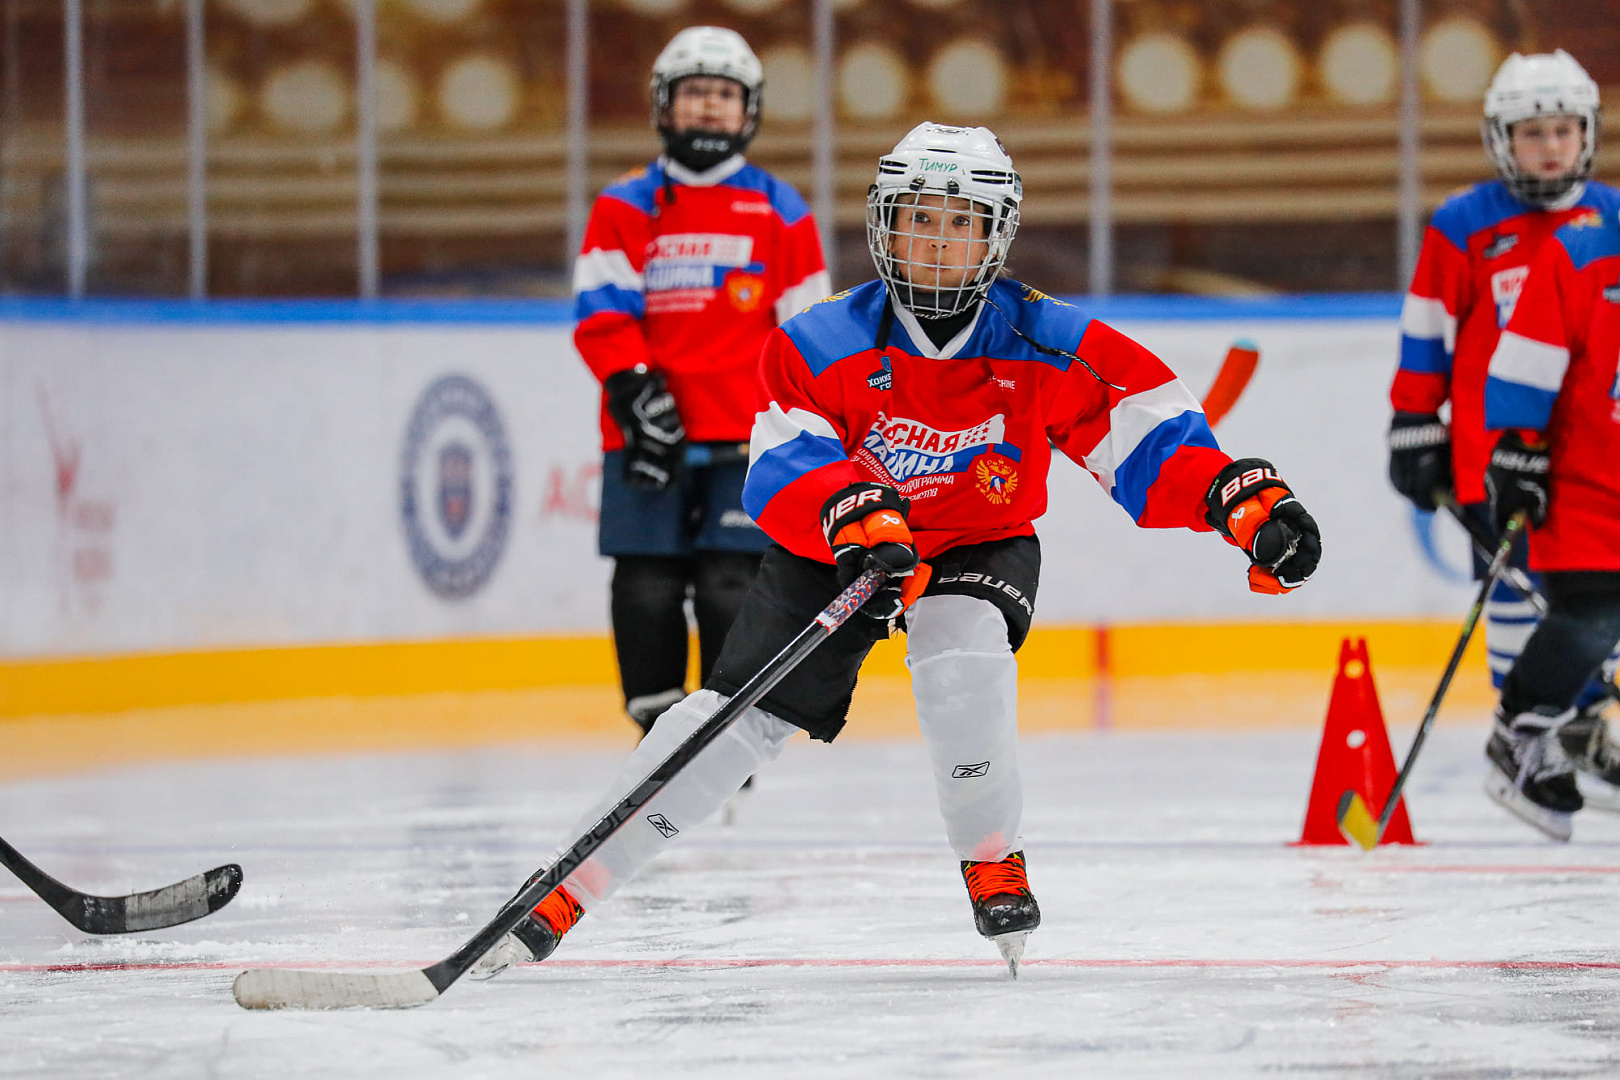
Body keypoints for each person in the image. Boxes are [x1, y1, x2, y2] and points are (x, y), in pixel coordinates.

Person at [475, 122, 1321, 978]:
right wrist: (850, 514)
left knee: (962, 651)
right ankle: (570, 884)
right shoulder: (819, 340)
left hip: (977, 539)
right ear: (886, 225)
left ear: (996, 236)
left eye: (960, 223)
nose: (938, 241)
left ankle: (991, 855)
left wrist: (1240, 503)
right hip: (841, 546)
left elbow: (1146, 435)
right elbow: (781, 460)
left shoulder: (1047, 339)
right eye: (920, 218)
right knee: (736, 717)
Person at [573, 26, 830, 735]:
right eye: (695, 92)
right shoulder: (624, 204)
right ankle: (656, 731)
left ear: (749, 109)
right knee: (646, 587)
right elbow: (601, 312)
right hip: (644, 435)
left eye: (724, 93)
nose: (710, 106)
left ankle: (723, 733)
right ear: (665, 104)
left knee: (730, 587)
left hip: (745, 439)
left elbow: (808, 332)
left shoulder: (781, 210)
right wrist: (635, 390)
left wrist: (800, 422)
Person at [1386, 49, 1620, 792]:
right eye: (1532, 133)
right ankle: (1532, 737)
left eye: (1564, 130)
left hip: (1589, 458)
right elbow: (1428, 328)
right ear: (1501, 139)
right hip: (1495, 457)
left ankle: (1580, 727)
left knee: (1590, 604)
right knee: (1520, 596)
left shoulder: (1611, 218)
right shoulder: (1466, 223)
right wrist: (1414, 420)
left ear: (1587, 134)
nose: (1551, 147)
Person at [1480, 203, 1620, 840]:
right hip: (1587, 482)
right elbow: (1527, 358)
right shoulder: (1584, 250)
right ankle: (1522, 731)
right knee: (1593, 614)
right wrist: (1518, 446)